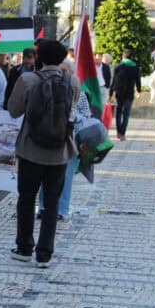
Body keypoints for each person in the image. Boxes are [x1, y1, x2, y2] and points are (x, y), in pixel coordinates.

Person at [7, 40, 79, 269]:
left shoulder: (28, 80)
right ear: (61, 58)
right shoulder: (72, 80)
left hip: (31, 149)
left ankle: (24, 247)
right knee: (52, 202)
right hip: (60, 151)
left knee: (26, 199)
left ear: (40, 57)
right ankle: (45, 253)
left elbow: (13, 110)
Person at [37, 62, 91, 222]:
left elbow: (87, 116)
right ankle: (43, 207)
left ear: (72, 73)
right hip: (50, 140)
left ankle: (62, 209)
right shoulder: (48, 91)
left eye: (65, 71)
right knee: (46, 176)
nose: (62, 75)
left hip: (71, 142)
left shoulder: (79, 94)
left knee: (66, 178)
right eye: (59, 71)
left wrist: (75, 118)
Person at [110, 48, 142, 141]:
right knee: (126, 114)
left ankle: (118, 132)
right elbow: (138, 80)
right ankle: (123, 133)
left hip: (119, 92)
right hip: (129, 93)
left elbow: (114, 81)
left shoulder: (118, 66)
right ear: (131, 57)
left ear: (123, 56)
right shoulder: (135, 67)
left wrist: (111, 92)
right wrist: (138, 90)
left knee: (119, 112)